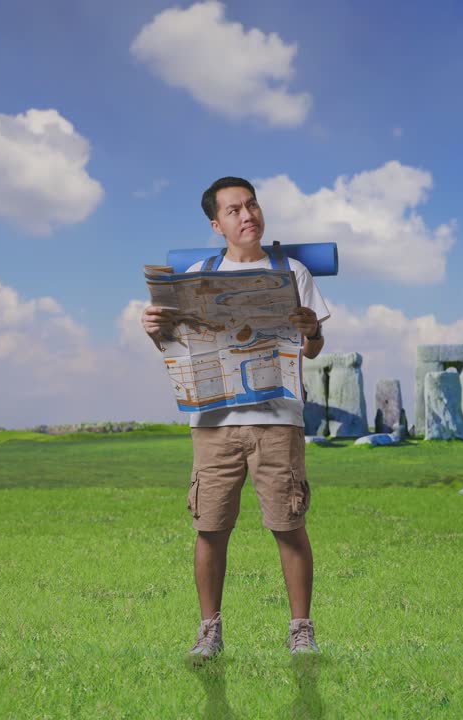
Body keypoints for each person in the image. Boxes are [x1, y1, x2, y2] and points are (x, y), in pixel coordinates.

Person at [142, 176, 331, 662]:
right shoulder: (197, 277)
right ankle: (210, 631)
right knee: (210, 527)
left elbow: (312, 347)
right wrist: (155, 330)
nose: (247, 216)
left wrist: (311, 330)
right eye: (234, 210)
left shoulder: (291, 272)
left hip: (278, 419)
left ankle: (301, 631)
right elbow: (178, 350)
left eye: (252, 205)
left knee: (288, 524)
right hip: (213, 422)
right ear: (216, 225)